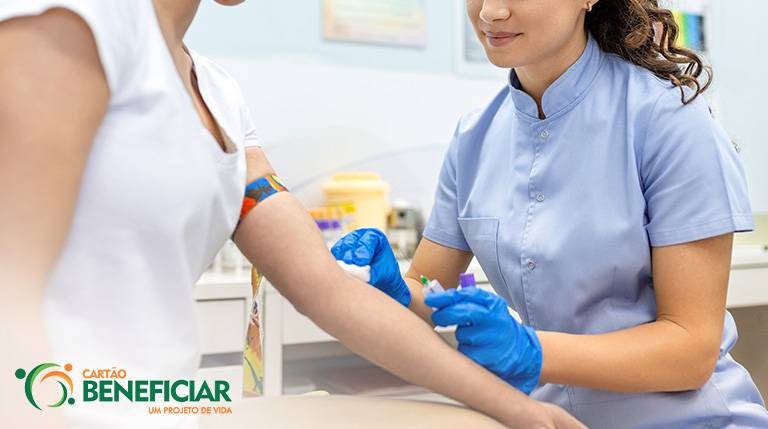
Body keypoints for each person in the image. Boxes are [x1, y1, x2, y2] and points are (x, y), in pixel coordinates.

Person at [0, 0, 585, 428]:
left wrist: (525, 412)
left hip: (161, 403)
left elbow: (326, 290)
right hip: (59, 401)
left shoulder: (220, 98)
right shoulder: (77, 20)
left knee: (483, 424)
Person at [332, 0, 768, 427]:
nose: (489, 12)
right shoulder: (474, 137)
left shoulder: (667, 119)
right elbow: (430, 290)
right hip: (550, 417)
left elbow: (690, 351)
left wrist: (529, 349)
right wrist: (395, 289)